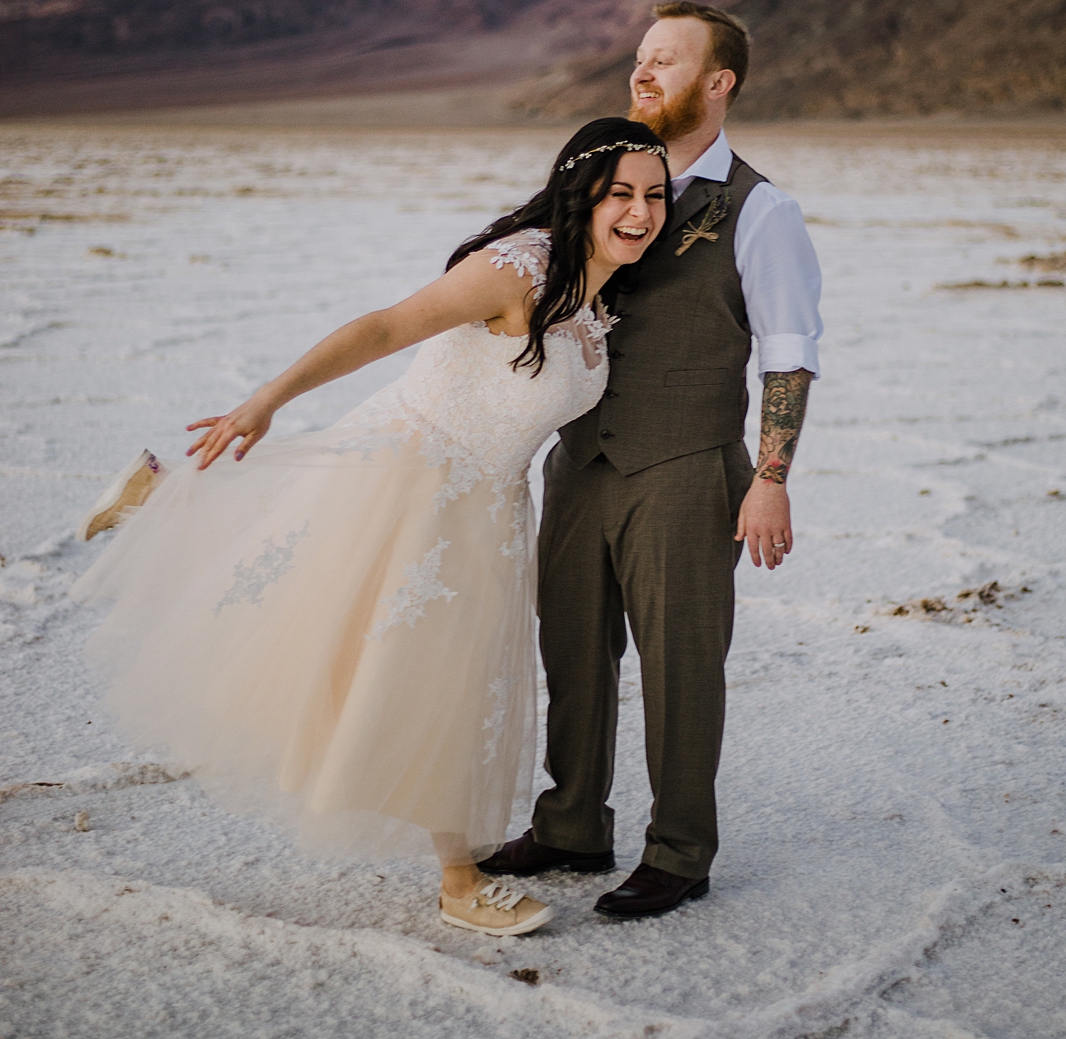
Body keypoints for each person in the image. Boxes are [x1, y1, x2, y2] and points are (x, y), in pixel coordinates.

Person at [71, 118, 671, 938]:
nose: (640, 211)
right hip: (410, 473)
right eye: (621, 194)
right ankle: (460, 882)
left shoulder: (600, 298)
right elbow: (387, 326)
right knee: (358, 641)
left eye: (655, 196)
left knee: (434, 677)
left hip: (489, 510)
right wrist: (267, 400)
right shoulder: (515, 268)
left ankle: (159, 496)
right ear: (581, 196)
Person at [482, 1, 823, 917]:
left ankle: (679, 850)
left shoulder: (762, 210)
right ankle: (569, 827)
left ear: (720, 83)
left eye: (665, 62)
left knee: (681, 663)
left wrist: (773, 477)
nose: (642, 75)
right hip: (580, 459)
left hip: (685, 466)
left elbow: (787, 352)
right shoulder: (607, 187)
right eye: (639, 59)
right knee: (573, 651)